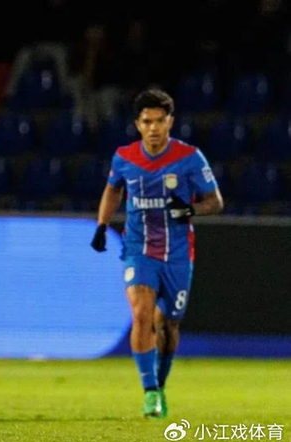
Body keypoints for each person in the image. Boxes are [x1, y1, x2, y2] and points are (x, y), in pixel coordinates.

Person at [90, 89, 223, 419]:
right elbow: (112, 189)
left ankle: (160, 385)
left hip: (178, 254)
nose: (153, 128)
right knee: (142, 314)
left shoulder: (190, 157)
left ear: (170, 122)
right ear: (137, 124)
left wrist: (189, 210)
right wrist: (102, 225)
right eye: (147, 121)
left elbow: (215, 202)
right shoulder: (124, 157)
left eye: (160, 121)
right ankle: (149, 391)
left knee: (168, 327)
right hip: (138, 250)